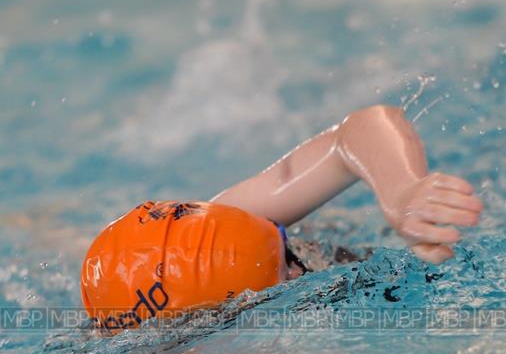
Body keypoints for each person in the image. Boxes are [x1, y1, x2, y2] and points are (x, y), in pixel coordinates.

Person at [81, 105, 483, 332]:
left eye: (281, 238)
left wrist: (402, 190)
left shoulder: (222, 227)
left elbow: (358, 132)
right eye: (286, 264)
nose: (299, 271)